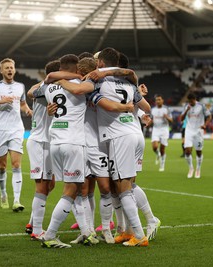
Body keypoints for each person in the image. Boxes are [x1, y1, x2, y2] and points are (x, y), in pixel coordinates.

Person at [58, 48, 148, 247]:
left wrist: (136, 112)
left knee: (110, 187)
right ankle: (88, 231)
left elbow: (123, 93)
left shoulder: (98, 84)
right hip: (82, 141)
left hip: (104, 141)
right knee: (85, 189)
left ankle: (112, 229)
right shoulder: (85, 84)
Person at [33, 54, 97, 248]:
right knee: (71, 191)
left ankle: (86, 232)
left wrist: (55, 78)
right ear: (76, 68)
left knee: (75, 189)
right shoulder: (82, 83)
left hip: (56, 143)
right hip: (74, 142)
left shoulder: (48, 87)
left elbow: (34, 92)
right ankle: (50, 234)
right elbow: (80, 88)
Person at [0, 58, 32, 211]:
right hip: (0, 129)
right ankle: (3, 194)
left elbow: (22, 104)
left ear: (14, 70)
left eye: (11, 67)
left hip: (17, 129)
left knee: (16, 164)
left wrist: (27, 110)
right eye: (6, 68)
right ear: (1, 71)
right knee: (2, 166)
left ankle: (17, 200)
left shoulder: (20, 86)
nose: (9, 70)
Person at [24, 60, 60, 240]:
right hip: (39, 141)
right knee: (42, 185)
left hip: (49, 142)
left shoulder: (47, 88)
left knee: (50, 184)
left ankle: (32, 222)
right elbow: (31, 91)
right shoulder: (45, 89)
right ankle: (37, 230)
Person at [180, 93, 211, 179]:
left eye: (192, 101)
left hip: (198, 132)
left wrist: (205, 124)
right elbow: (181, 119)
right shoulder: (187, 106)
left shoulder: (201, 106)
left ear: (195, 99)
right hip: (189, 131)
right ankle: (191, 168)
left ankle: (198, 169)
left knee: (198, 151)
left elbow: (209, 116)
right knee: (187, 151)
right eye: (189, 101)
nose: (190, 103)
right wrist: (186, 110)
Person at [150, 94, 173, 172]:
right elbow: (151, 119)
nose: (158, 101)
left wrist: (166, 117)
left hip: (164, 130)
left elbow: (171, 120)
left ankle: (162, 164)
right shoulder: (153, 109)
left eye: (159, 99)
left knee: (162, 149)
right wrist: (149, 123)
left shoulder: (166, 109)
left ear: (162, 100)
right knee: (154, 147)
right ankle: (157, 154)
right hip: (155, 129)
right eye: (156, 100)